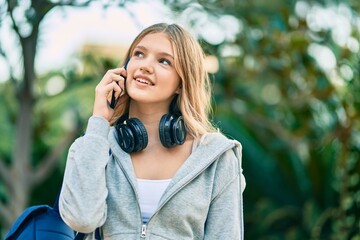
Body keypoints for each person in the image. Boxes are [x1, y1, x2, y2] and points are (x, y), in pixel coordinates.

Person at [59, 22, 246, 239]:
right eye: (138, 54)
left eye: (164, 61)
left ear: (181, 83)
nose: (145, 66)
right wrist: (99, 120)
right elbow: (82, 219)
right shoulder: (97, 145)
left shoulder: (216, 157)